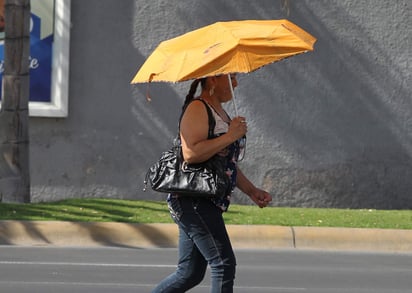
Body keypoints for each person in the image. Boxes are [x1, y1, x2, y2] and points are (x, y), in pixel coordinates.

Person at [151, 74, 272, 293]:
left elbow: (226, 163)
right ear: (213, 80)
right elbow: (191, 153)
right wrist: (230, 136)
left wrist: (251, 190)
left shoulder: (221, 114)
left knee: (189, 273)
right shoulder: (198, 108)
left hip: (206, 200)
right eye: (231, 77)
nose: (236, 83)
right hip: (193, 200)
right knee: (223, 264)